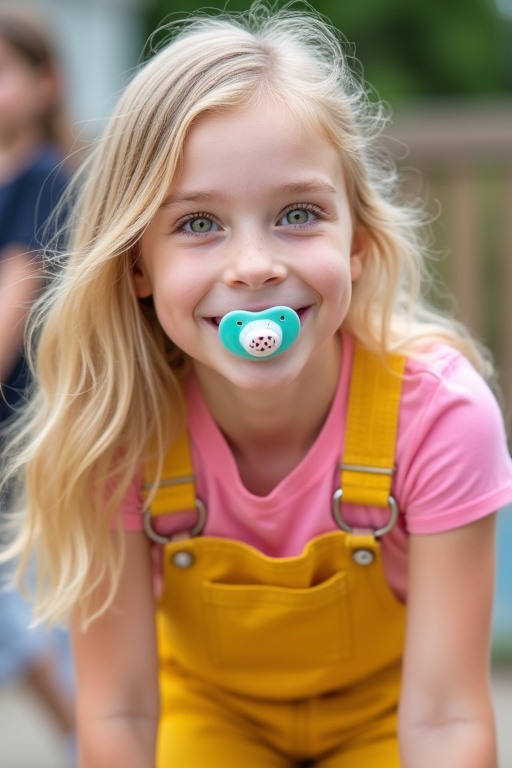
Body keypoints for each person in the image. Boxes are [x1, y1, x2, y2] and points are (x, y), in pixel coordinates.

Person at [1, 3, 512, 766]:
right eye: (199, 224)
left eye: (298, 214)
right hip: (207, 722)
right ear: (137, 266)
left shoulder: (441, 417)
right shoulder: (119, 426)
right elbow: (120, 712)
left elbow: (444, 720)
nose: (253, 266)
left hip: (391, 716)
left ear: (360, 243)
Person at [0, 5, 75, 755]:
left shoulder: (46, 182)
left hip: (26, 435)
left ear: (46, 83)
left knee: (28, 610)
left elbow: (13, 304)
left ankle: (94, 737)